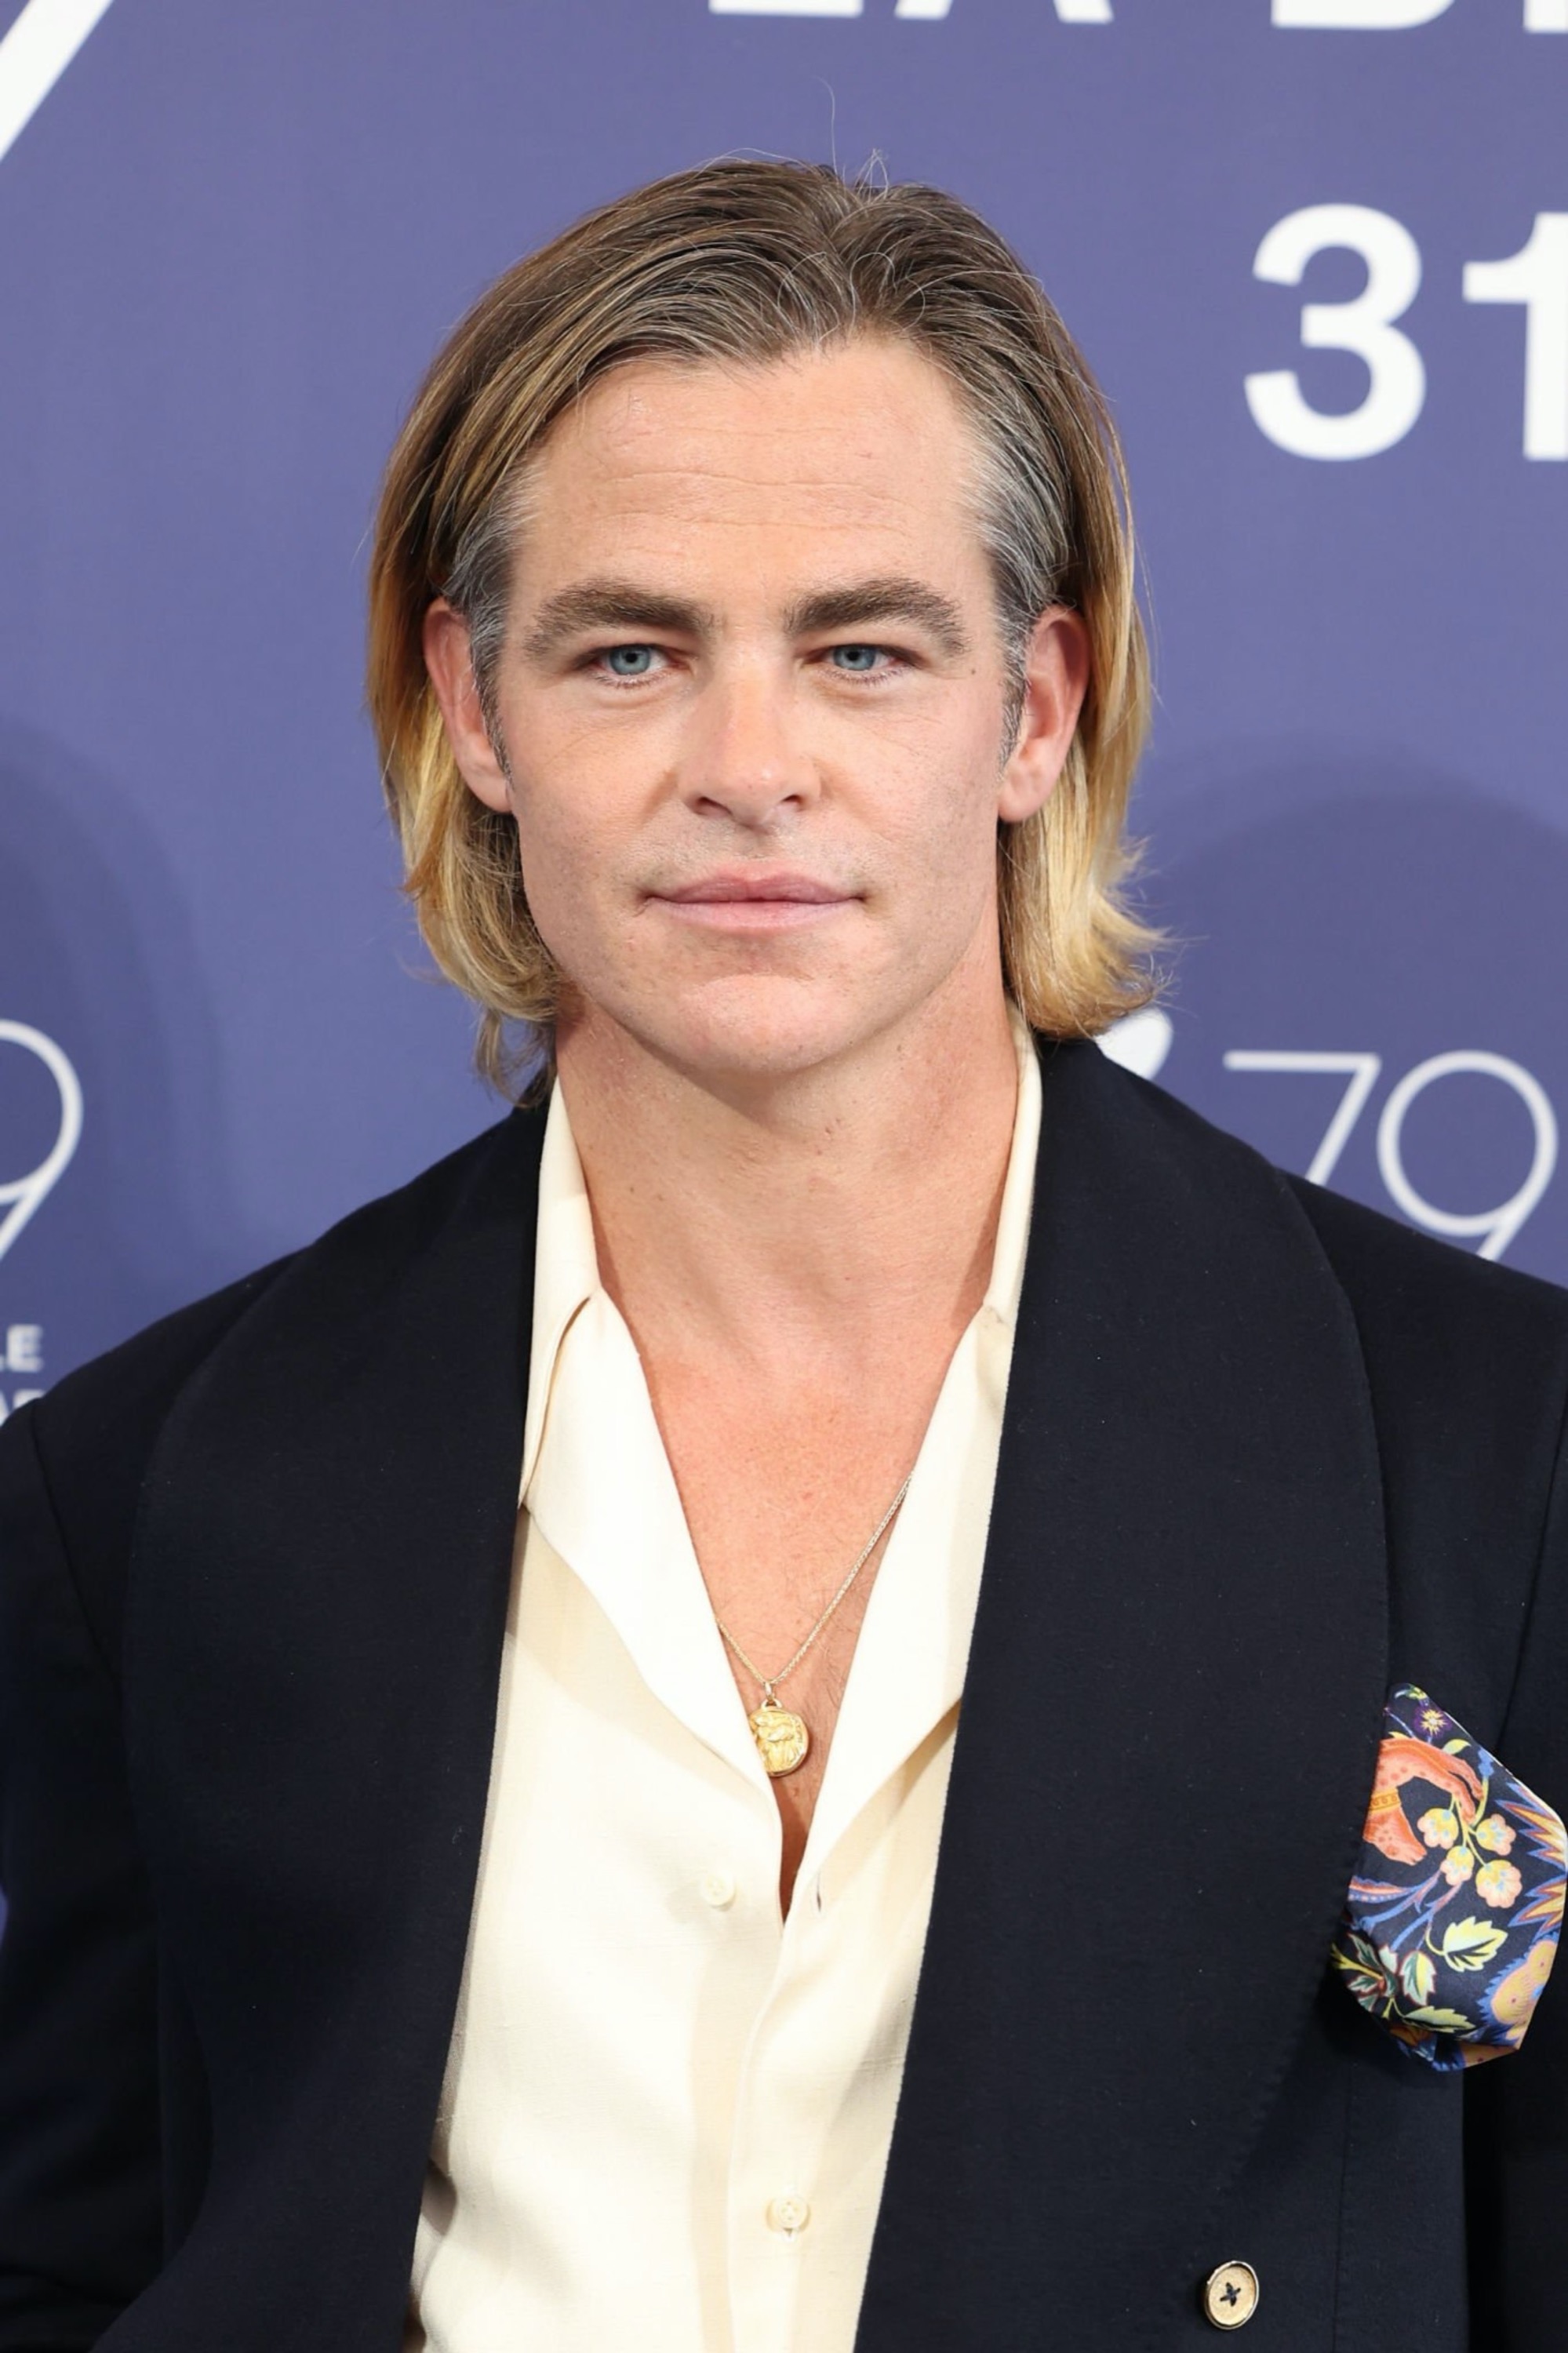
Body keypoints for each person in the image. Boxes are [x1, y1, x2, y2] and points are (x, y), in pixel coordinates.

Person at [0, 160, 1563, 2353]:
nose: (749, 767)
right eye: (632, 653)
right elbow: (81, 2265)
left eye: (860, 652)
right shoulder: (147, 1493)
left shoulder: (1492, 1451)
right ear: (476, 710)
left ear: (1033, 711)